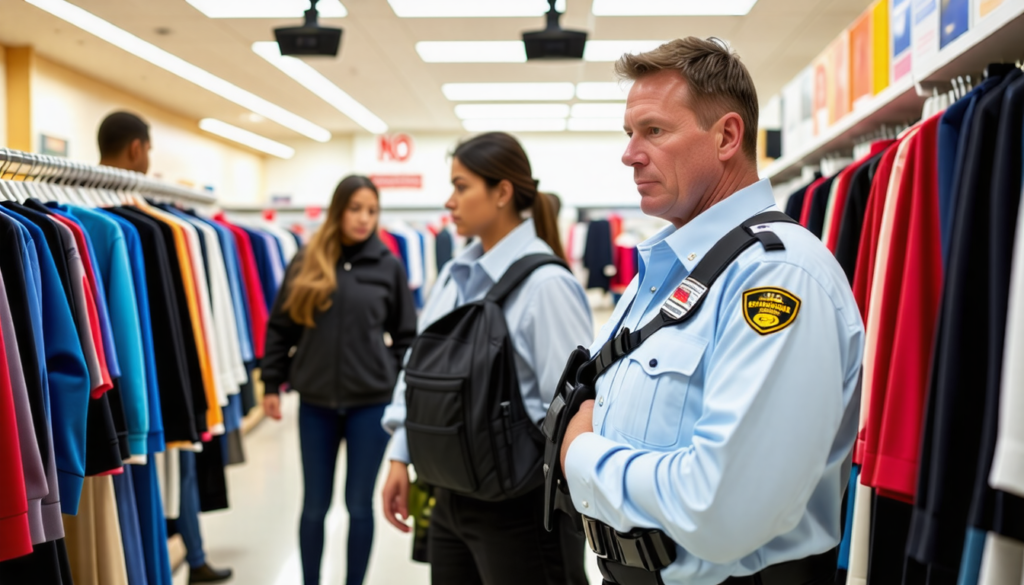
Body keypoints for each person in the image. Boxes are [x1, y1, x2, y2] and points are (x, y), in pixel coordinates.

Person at [557, 38, 864, 585]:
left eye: (653, 130)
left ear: (726, 136)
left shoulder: (774, 277)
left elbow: (720, 507)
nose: (630, 153)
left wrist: (579, 454)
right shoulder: (665, 271)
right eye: (629, 134)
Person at [381, 132, 593, 585]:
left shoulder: (547, 286)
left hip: (522, 507)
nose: (449, 201)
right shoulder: (454, 277)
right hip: (449, 498)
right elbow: (415, 370)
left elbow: (574, 409)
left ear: (501, 193)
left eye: (461, 186)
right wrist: (400, 455)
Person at [98, 111, 235, 585]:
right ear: (137, 149)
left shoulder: (126, 226)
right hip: (147, 384)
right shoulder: (137, 230)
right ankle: (189, 557)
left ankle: (178, 556)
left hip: (103, 392)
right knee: (171, 466)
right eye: (149, 149)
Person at [262, 175, 417, 585]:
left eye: (372, 210)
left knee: (359, 505)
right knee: (315, 505)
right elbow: (281, 327)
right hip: (315, 404)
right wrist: (270, 382)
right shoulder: (307, 259)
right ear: (338, 211)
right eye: (355, 209)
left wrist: (400, 388)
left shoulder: (388, 265)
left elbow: (406, 337)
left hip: (371, 404)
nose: (364, 218)